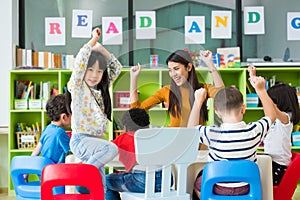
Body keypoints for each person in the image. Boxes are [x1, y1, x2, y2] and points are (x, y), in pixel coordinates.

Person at [188, 75, 276, 198]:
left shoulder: (212, 134)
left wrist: (198, 102)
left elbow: (190, 131)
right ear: (243, 109)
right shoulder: (254, 131)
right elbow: (271, 116)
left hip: (219, 188)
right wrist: (261, 90)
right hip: (246, 188)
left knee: (197, 182)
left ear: (217, 112)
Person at [67, 27, 122, 191]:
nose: (94, 75)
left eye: (99, 71)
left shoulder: (100, 90)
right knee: (111, 148)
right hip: (81, 140)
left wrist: (101, 49)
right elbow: (80, 61)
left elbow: (117, 67)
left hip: (94, 143)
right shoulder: (77, 87)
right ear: (83, 71)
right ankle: (81, 174)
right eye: (90, 70)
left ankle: (84, 181)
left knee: (101, 187)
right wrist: (93, 41)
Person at [130, 49, 224, 127]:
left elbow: (222, 94)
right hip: (175, 143)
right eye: (170, 70)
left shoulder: (202, 89)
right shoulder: (167, 91)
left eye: (176, 69)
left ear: (189, 67)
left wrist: (209, 63)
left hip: (197, 144)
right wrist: (133, 78)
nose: (173, 74)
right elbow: (136, 109)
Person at [248, 66, 300, 186]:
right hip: (270, 161)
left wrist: (261, 90)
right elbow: (269, 109)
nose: (269, 103)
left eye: (272, 100)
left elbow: (272, 108)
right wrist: (253, 78)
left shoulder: (286, 118)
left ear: (281, 101)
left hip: (279, 167)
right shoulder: (274, 117)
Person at [106, 108, 166, 200]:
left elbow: (106, 149)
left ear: (125, 127)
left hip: (141, 182)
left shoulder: (124, 137)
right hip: (166, 181)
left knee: (106, 181)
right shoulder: (155, 135)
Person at [23, 93, 72, 180]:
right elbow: (73, 151)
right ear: (64, 117)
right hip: (56, 174)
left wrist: (27, 169)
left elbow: (36, 150)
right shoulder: (60, 133)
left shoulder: (47, 129)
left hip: (43, 173)